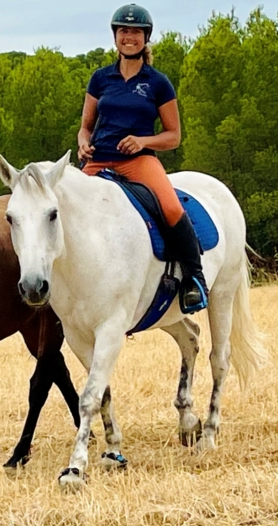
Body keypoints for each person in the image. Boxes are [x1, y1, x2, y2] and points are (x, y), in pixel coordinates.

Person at [77, 3, 208, 312]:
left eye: (135, 32)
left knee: (172, 206)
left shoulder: (158, 83)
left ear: (145, 37)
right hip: (98, 160)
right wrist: (83, 144)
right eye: (124, 31)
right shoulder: (100, 79)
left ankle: (194, 280)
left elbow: (173, 136)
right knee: (62, 210)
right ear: (115, 36)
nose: (129, 37)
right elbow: (85, 127)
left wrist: (142, 141)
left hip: (138, 162)